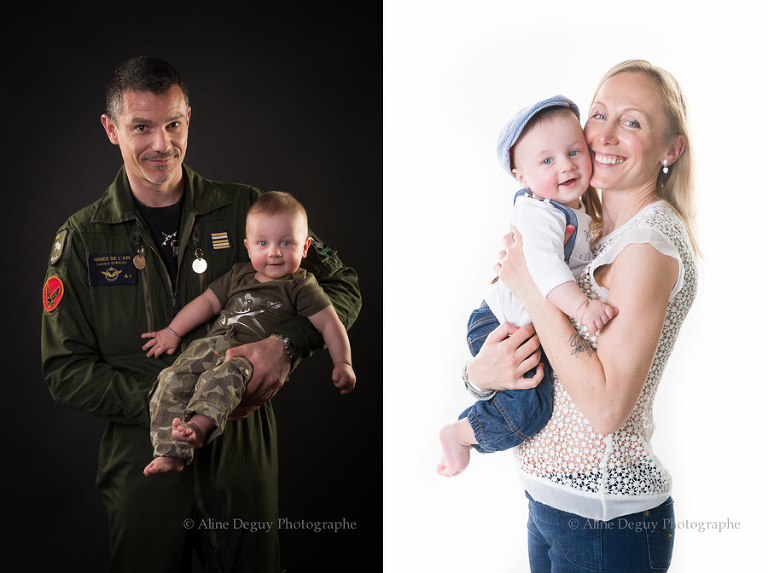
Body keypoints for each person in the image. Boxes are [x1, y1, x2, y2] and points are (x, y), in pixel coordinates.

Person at [41, 56, 361, 573]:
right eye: (140, 127)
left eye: (174, 124)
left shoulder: (250, 211)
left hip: (241, 465)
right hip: (142, 469)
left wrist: (286, 343)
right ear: (111, 129)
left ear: (189, 118)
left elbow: (342, 284)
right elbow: (64, 370)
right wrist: (175, 395)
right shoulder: (81, 238)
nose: (161, 144)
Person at [463, 60, 697, 572]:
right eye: (599, 114)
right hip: (550, 505)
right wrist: (478, 376)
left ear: (670, 150)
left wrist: (531, 285)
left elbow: (607, 407)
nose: (605, 135)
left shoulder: (646, 245)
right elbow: (515, 326)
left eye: (632, 122)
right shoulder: (580, 224)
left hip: (606, 521)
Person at [437, 96, 617, 477]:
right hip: (500, 325)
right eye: (547, 160)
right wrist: (583, 308)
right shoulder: (539, 213)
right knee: (531, 408)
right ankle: (462, 433)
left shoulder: (575, 211)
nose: (566, 165)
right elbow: (546, 270)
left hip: (522, 323)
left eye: (573, 151)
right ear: (522, 179)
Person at [142, 191, 356, 476]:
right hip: (210, 345)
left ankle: (197, 429)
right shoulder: (237, 275)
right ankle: (170, 452)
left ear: (305, 247)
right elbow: (205, 304)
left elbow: (330, 324)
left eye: (286, 242)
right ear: (248, 246)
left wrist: (343, 363)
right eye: (263, 243)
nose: (274, 252)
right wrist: (172, 331)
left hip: (246, 358)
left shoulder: (303, 285)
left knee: (220, 381)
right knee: (170, 378)